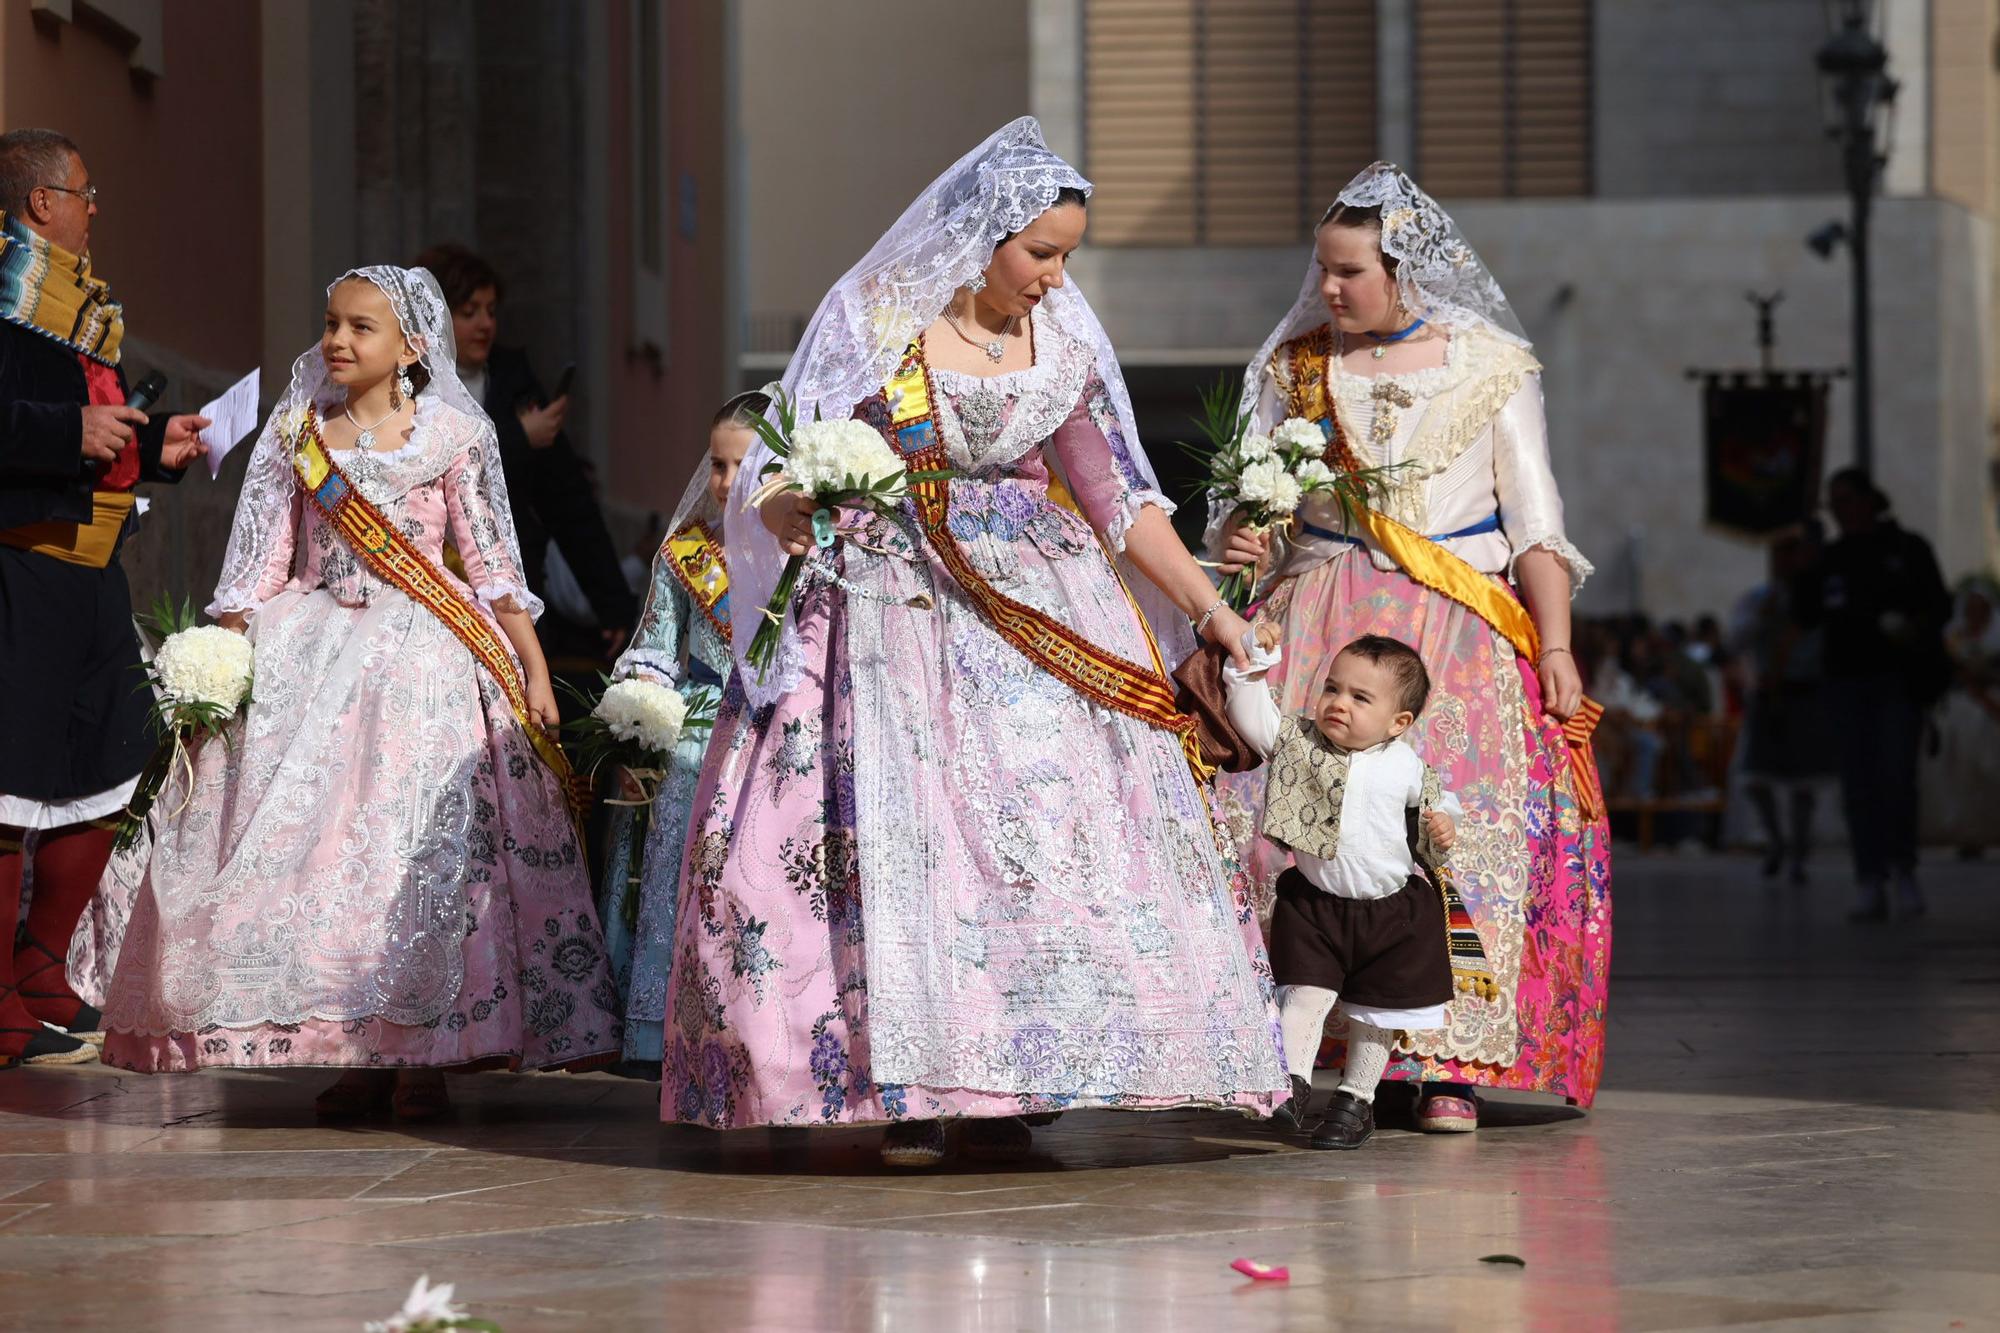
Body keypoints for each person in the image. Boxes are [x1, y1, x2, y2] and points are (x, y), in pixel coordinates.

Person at [665, 118, 1288, 1167]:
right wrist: (786, 506)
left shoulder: (1065, 344)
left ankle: (1014, 1073)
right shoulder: (873, 323)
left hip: (1041, 607)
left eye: (1065, 257)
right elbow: (787, 456)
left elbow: (1114, 498)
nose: (1052, 276)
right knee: (888, 831)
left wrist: (1213, 609)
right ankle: (890, 1074)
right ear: (981, 236)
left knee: (1040, 835)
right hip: (892, 602)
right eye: (1038, 252)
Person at [101, 266, 618, 1118]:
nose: (337, 340)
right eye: (332, 323)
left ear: (411, 346)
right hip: (311, 657)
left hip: (430, 666)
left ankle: (430, 1053)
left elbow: (493, 568)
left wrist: (531, 668)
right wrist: (218, 669)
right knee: (325, 856)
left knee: (424, 856)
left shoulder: (455, 435)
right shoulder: (295, 436)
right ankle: (359, 1047)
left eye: (360, 328)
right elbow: (257, 569)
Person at [1213, 163, 1610, 1130]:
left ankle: (1444, 1063)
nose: (1329, 289)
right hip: (1320, 627)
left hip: (1457, 638)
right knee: (1297, 837)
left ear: (1406, 271)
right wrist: (1241, 541)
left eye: (1349, 271)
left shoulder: (1491, 367)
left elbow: (1538, 525)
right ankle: (1304, 1049)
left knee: (1448, 836)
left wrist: (1555, 648)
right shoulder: (1295, 368)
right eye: (1323, 269)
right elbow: (1244, 506)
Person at [0, 129, 210, 1069]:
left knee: (113, 755)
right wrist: (64, 429)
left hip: (89, 566)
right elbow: (42, 420)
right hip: (17, 563)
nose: (95, 208)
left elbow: (95, 423)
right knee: (7, 788)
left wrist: (154, 442)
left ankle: (43, 966)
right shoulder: (5, 290)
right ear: (42, 203)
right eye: (85, 192)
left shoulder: (78, 302)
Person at [1223, 630, 1473, 1150]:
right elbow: (1253, 715)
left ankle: (1356, 1101)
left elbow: (1441, 803)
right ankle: (1289, 1085)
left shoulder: (1406, 765)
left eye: (1361, 698)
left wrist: (1443, 822)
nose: (1339, 703)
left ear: (1397, 723)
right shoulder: (1299, 742)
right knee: (1302, 996)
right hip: (1315, 907)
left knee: (1376, 1016)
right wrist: (1258, 661)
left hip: (1393, 914)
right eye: (1333, 688)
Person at [595, 390, 763, 1074]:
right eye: (716, 465)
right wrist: (641, 721)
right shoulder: (684, 556)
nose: (723, 483)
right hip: (700, 725)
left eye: (740, 466)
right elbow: (655, 651)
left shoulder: (807, 553)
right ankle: (662, 1024)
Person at [413, 243, 636, 655]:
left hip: (512, 587)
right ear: (436, 316)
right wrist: (517, 438)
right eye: (469, 312)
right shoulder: (407, 383)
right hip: (431, 586)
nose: (485, 324)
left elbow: (569, 502)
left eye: (491, 311)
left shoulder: (513, 380)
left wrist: (614, 605)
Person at [1796, 468, 1951, 920]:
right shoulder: (1833, 557)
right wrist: (1804, 570)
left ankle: (1903, 868)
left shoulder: (1908, 549)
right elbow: (1806, 616)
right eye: (1834, 502)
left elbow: (1940, 605)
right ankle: (1869, 875)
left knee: (1897, 777)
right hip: (1846, 681)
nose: (1840, 510)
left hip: (1896, 681)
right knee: (1858, 784)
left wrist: (1911, 626)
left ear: (1868, 500)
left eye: (1845, 500)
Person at [1729, 532, 1832, 882]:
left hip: (1804, 692)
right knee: (1757, 778)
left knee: (1804, 783)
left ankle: (1800, 851)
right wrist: (1763, 616)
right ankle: (1776, 840)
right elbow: (1736, 640)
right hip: (1768, 694)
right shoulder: (1759, 599)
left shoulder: (1816, 602)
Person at [1921, 576, 2000, 854]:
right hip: (1959, 707)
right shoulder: (1953, 638)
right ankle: (1967, 834)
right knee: (1959, 770)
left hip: (1991, 704)